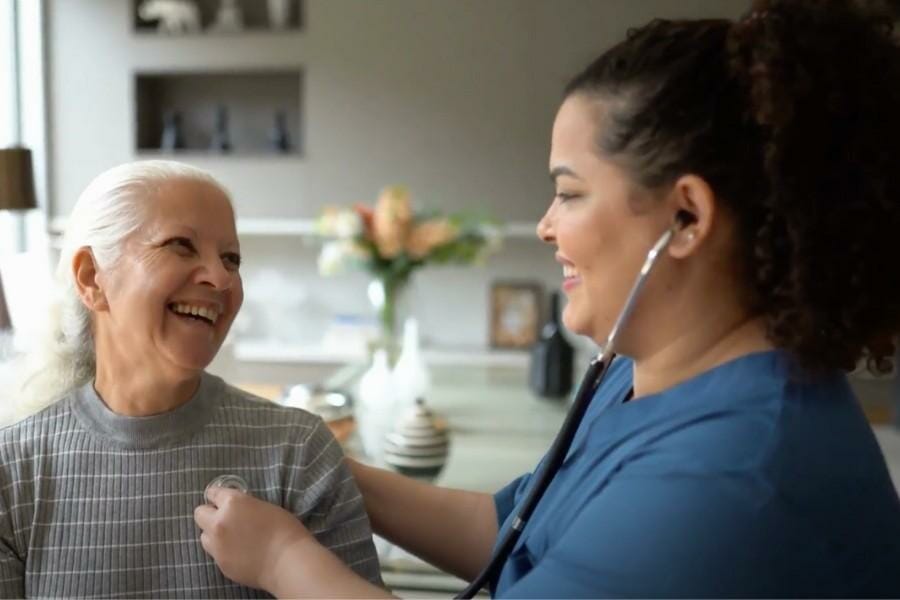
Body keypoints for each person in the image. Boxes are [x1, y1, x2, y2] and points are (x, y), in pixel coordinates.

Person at [194, 0, 900, 596]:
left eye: (568, 193)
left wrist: (284, 561)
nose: (544, 225)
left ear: (686, 217)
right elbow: (517, 532)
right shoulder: (646, 373)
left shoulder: (731, 481)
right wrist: (327, 467)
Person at [0, 161, 382, 597]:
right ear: (91, 278)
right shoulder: (12, 473)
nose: (220, 278)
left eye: (231, 259)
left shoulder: (298, 451)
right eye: (180, 246)